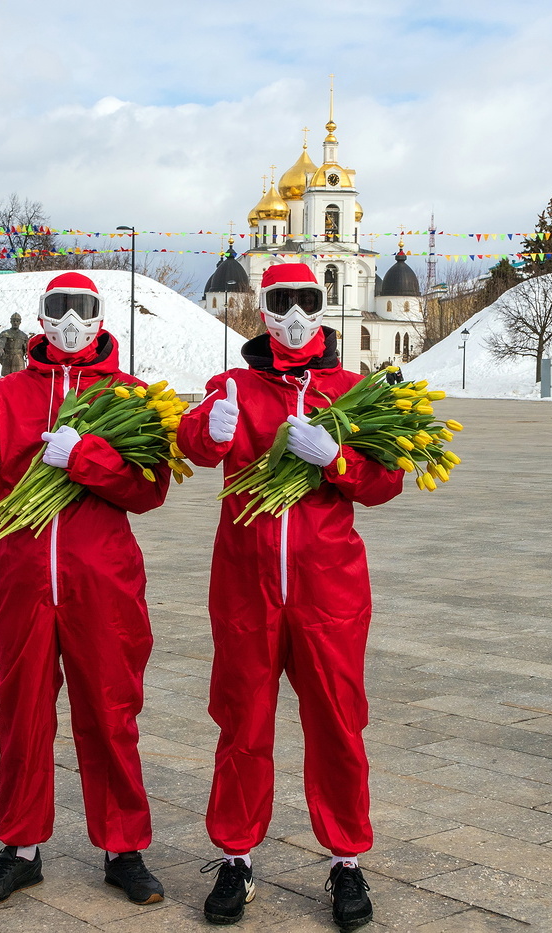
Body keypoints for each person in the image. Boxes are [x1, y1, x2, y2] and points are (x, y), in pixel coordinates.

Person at [177, 263, 404, 931]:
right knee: (241, 721)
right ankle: (238, 854)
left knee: (337, 721)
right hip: (245, 587)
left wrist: (335, 456)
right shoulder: (234, 385)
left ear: (323, 303)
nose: (297, 313)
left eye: (308, 300)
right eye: (283, 301)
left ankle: (346, 858)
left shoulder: (351, 390)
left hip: (328, 588)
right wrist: (209, 431)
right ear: (263, 308)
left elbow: (385, 481)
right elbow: (189, 440)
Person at [0, 272, 170, 909]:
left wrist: (88, 459)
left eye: (83, 309)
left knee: (110, 711)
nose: (70, 321)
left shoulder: (130, 397)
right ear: (40, 318)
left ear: (100, 317)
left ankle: (124, 847)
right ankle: (20, 848)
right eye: (58, 308)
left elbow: (150, 490)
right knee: (22, 712)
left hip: (101, 581)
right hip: (22, 579)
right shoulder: (5, 394)